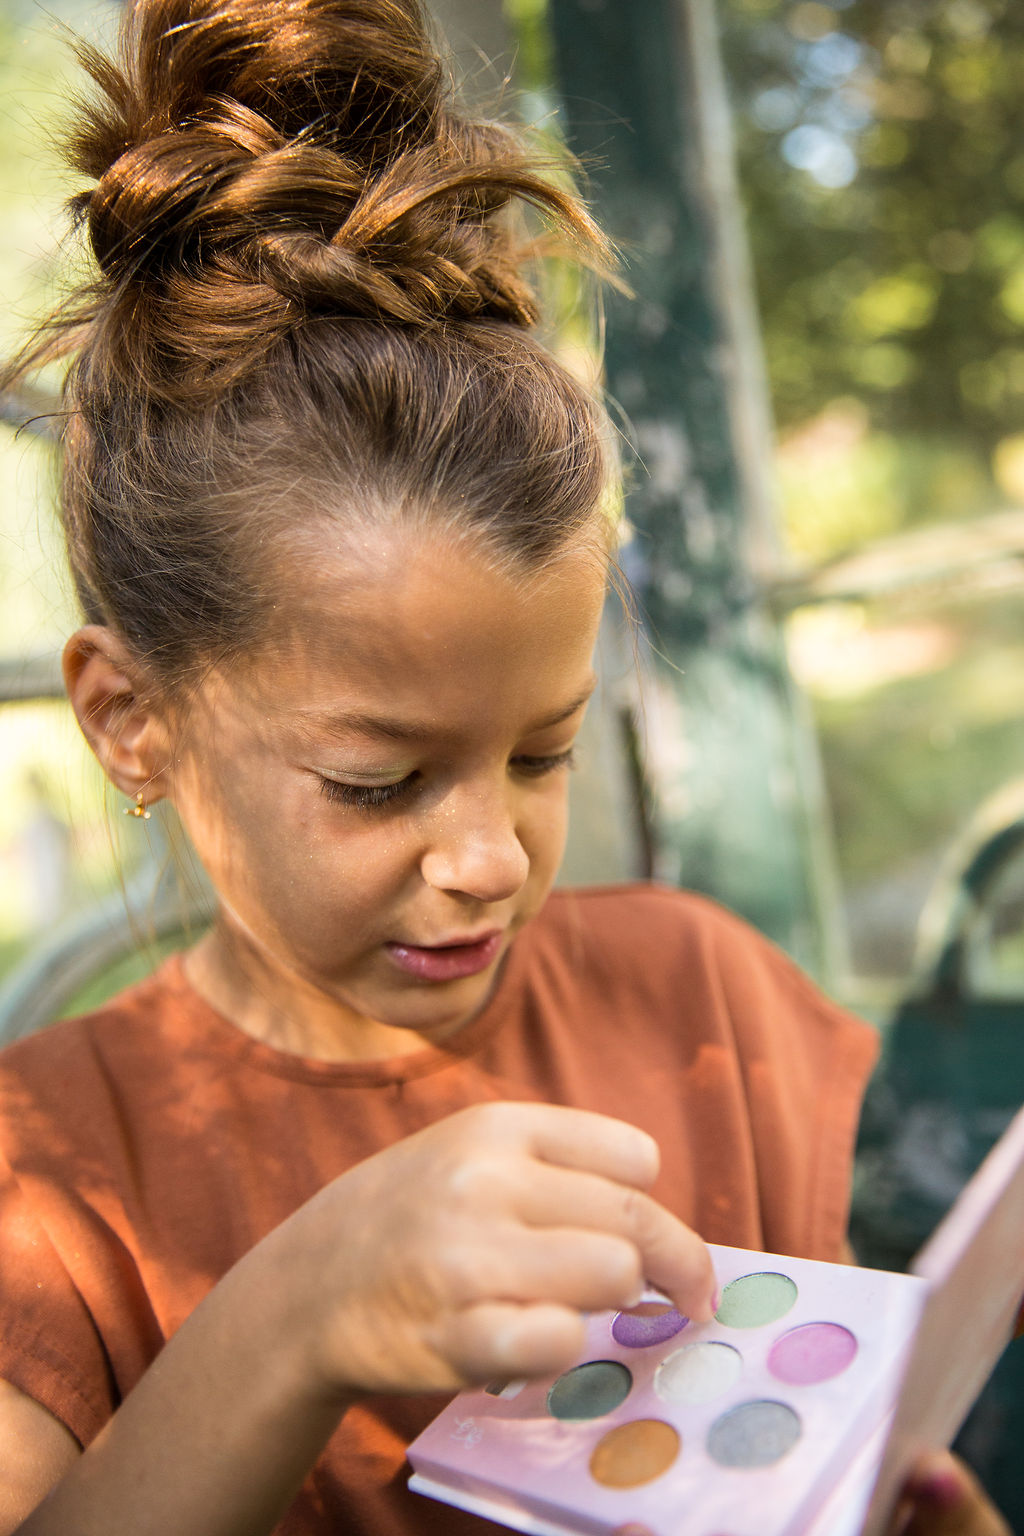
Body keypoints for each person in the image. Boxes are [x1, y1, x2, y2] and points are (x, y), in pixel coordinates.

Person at [0, 1, 1009, 1532]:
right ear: (134, 721)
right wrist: (304, 1306)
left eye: (544, 753)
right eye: (377, 781)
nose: (492, 859)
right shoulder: (49, 1177)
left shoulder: (702, 997)